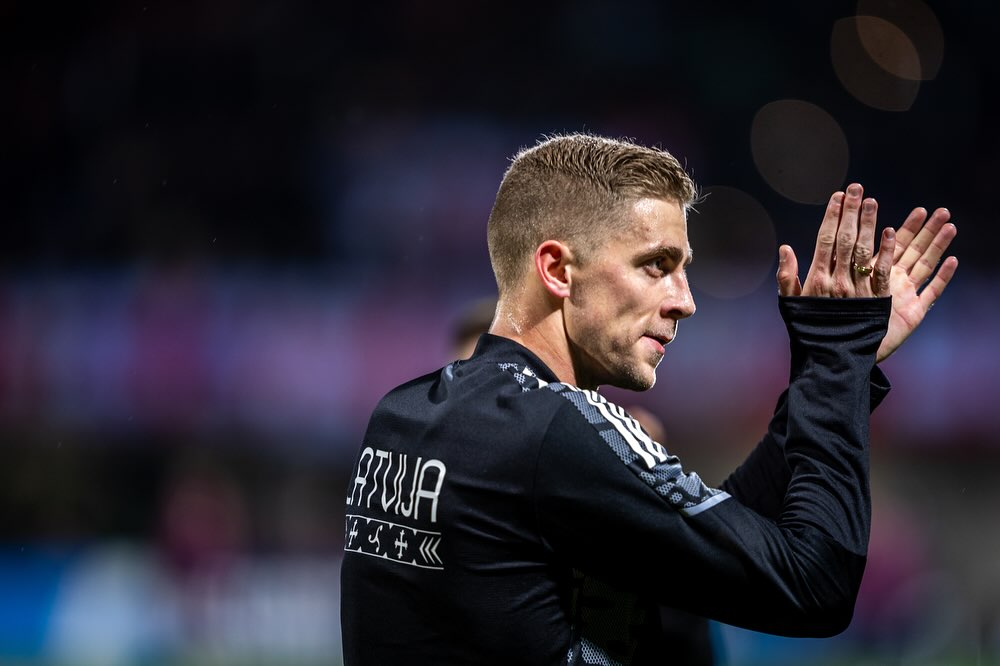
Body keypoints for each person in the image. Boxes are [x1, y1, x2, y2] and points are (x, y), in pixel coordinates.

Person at [340, 134, 958, 665]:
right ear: (557, 270)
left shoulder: (403, 415)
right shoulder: (558, 429)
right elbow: (814, 585)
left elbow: (705, 541)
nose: (684, 300)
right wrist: (835, 360)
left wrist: (838, 374)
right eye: (656, 265)